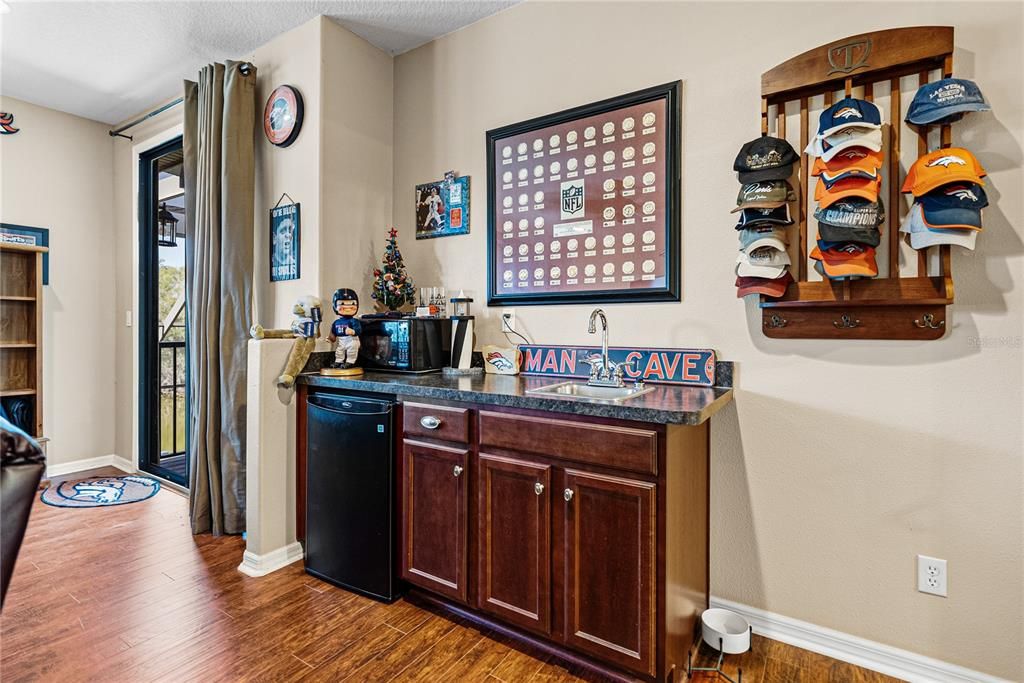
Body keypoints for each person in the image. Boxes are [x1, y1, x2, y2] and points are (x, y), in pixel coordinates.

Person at [328, 288, 361, 368]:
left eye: (352, 303)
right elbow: (333, 332)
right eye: (342, 303)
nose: (347, 307)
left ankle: (350, 362)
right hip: (341, 340)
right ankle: (338, 361)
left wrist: (353, 332)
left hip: (352, 340)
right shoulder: (336, 322)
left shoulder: (354, 321)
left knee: (351, 351)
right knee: (339, 350)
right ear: (335, 306)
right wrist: (331, 338)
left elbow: (358, 330)